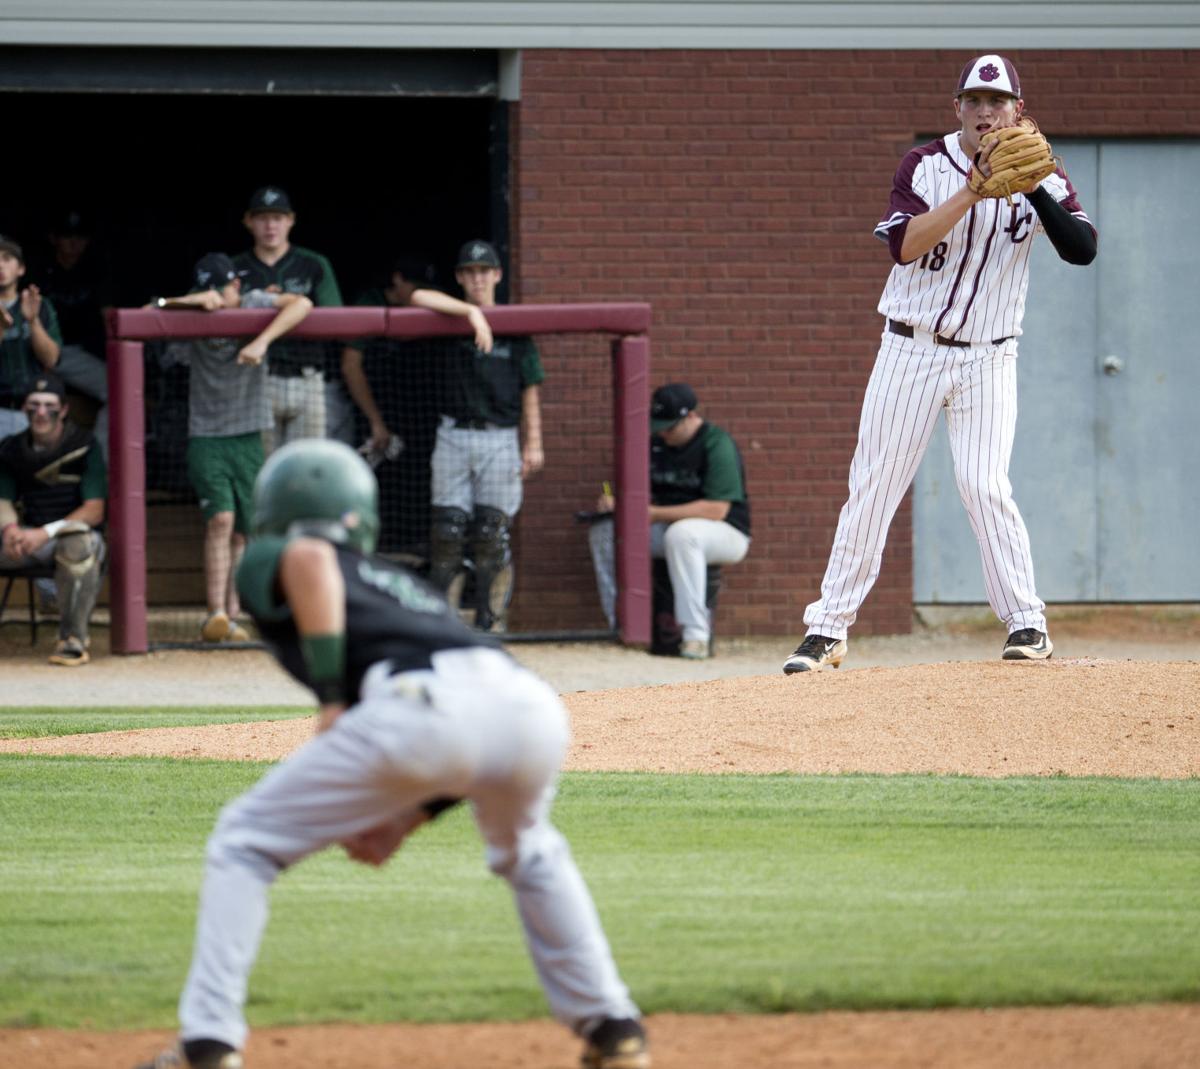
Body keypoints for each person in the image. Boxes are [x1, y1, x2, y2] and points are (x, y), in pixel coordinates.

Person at [132, 439, 650, 1069]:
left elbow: (309, 558)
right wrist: (409, 816)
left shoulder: (277, 551)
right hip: (527, 706)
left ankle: (206, 1043)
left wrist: (329, 698)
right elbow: (472, 722)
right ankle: (613, 1026)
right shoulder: (396, 581)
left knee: (243, 842)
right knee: (531, 852)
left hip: (421, 703)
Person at [782, 54, 1097, 675]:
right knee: (873, 488)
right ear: (957, 107)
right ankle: (828, 630)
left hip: (991, 355)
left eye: (997, 101)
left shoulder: (1042, 168)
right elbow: (903, 247)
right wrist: (971, 192)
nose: (985, 112)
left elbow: (1082, 249)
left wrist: (1031, 186)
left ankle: (1027, 622)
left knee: (985, 485)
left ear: (1017, 109)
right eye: (974, 102)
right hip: (912, 348)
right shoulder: (924, 166)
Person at [151, 252, 314, 643]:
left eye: (219, 288)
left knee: (243, 530)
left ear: (235, 286)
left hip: (249, 433)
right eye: (205, 288)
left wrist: (261, 341)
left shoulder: (255, 301)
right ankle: (215, 612)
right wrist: (186, 302)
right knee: (219, 520)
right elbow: (146, 315)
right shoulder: (193, 309)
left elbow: (304, 304)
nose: (213, 295)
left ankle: (233, 615)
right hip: (206, 435)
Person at [427, 240, 544, 632]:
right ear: (460, 278)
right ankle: (444, 622)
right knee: (447, 532)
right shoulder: (448, 319)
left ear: (497, 275)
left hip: (500, 437)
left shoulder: (515, 328)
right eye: (469, 272)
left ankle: (490, 621)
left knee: (492, 535)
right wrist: (471, 313)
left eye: (484, 271)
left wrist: (535, 442)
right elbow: (416, 296)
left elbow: (530, 388)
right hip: (454, 434)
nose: (477, 278)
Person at [588, 383, 751, 659]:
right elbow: (638, 494)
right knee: (605, 530)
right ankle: (621, 623)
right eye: (659, 425)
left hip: (726, 534)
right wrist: (619, 504)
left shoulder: (715, 442)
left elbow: (716, 510)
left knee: (682, 533)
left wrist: (650, 513)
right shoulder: (655, 443)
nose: (663, 432)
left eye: (670, 426)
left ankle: (695, 636)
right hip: (665, 528)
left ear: (691, 417)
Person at [341, 254, 494, 458]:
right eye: (414, 284)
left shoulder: (433, 300)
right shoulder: (370, 302)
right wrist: (375, 421)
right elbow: (350, 366)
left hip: (416, 406)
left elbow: (423, 296)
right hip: (370, 403)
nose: (420, 291)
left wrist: (470, 311)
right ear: (398, 279)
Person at [0, 372, 106, 666]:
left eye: (49, 405)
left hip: (65, 537)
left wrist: (43, 534)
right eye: (34, 405)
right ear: (24, 409)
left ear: (64, 409)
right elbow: (3, 500)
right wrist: (10, 530)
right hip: (22, 542)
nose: (41, 413)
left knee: (81, 543)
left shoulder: (84, 445)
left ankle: (73, 639)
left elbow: (94, 510)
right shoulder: (11, 448)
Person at [231, 186, 344, 453]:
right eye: (262, 218)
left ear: (291, 220)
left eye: (278, 218)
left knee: (306, 468)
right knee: (262, 471)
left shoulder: (313, 264)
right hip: (255, 378)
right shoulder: (234, 268)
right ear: (248, 221)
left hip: (307, 377)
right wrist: (262, 301)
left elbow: (335, 320)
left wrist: (288, 305)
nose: (271, 225)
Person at [31, 209, 113, 413]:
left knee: (121, 391)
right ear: (54, 238)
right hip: (41, 349)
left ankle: (99, 446)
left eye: (80, 237)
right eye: (68, 236)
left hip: (84, 352)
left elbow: (108, 315)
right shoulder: (39, 269)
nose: (74, 242)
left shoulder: (95, 268)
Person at [0, 235, 62, 439]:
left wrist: (33, 320)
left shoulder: (38, 305)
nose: (0, 265)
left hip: (31, 412)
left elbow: (51, 360)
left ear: (21, 269)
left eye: (7, 259)